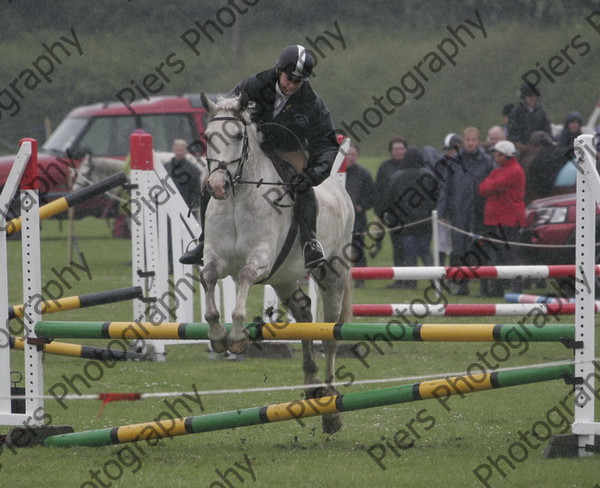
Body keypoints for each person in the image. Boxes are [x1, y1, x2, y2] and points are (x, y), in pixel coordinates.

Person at [179, 45, 339, 269]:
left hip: (288, 150)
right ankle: (204, 241)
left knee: (302, 186)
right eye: (289, 78)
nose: (292, 85)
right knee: (210, 180)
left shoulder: (312, 102)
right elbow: (225, 112)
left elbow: (326, 143)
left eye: (298, 81)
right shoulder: (254, 85)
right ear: (278, 70)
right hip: (250, 147)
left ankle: (310, 242)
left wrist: (312, 175)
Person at [436, 127, 494, 295]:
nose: (471, 143)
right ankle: (462, 285)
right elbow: (445, 188)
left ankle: (484, 286)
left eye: (474, 140)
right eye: (468, 140)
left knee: (479, 249)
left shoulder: (487, 161)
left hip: (479, 211)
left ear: (478, 141)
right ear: (463, 142)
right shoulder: (454, 161)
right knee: (459, 249)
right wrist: (442, 211)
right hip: (459, 210)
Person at [383, 146, 436, 288]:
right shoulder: (428, 175)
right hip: (425, 222)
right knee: (425, 252)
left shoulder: (396, 176)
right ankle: (435, 280)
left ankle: (411, 282)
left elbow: (389, 199)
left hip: (404, 223)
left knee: (409, 253)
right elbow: (435, 198)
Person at [478, 140, 526, 296]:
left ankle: (516, 288)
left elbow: (490, 187)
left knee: (510, 256)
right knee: (498, 256)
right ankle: (499, 288)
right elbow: (483, 188)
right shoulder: (500, 170)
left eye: (496, 152)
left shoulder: (513, 171)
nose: (493, 155)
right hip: (498, 220)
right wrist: (489, 184)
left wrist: (489, 184)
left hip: (508, 221)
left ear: (504, 155)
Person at [373, 136, 408, 288]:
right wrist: (380, 212)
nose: (399, 151)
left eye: (401, 148)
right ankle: (400, 279)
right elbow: (379, 190)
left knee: (410, 248)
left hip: (410, 213)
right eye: (396, 149)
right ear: (391, 151)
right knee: (398, 247)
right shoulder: (384, 167)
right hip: (392, 213)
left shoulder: (410, 166)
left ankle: (411, 278)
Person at [344, 142, 374, 288]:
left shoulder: (364, 174)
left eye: (354, 154)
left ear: (358, 156)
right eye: (348, 154)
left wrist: (362, 206)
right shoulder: (337, 174)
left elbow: (373, 196)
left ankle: (360, 278)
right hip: (340, 218)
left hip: (358, 219)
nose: (351, 157)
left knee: (358, 247)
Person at [507, 84, 552, 151]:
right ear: (524, 97)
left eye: (535, 96)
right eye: (530, 96)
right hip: (521, 147)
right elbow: (513, 133)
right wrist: (524, 147)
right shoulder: (516, 112)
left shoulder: (541, 112)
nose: (533, 99)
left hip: (539, 147)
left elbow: (547, 131)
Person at [164, 139, 203, 209]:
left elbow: (197, 191)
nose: (179, 152)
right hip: (169, 207)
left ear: (186, 151)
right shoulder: (165, 168)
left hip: (187, 207)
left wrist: (193, 207)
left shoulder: (194, 171)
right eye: (177, 150)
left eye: (181, 150)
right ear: (173, 150)